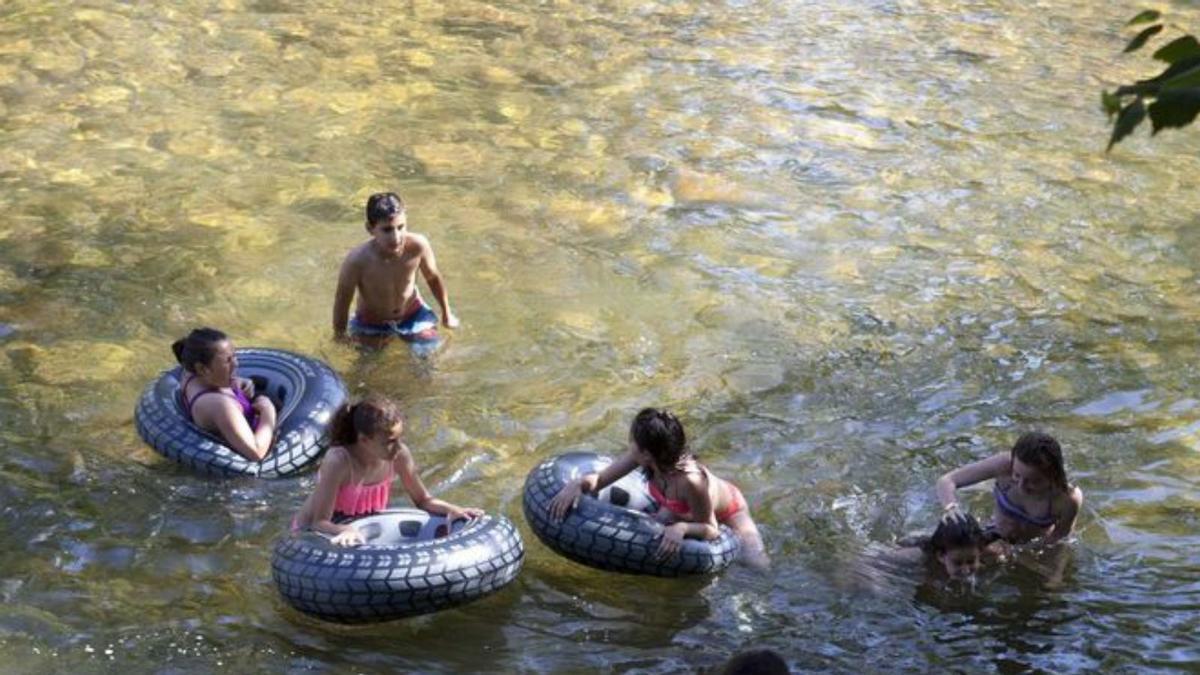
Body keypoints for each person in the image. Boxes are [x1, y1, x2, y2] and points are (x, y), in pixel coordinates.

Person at [548, 407, 769, 569]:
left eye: (633, 441)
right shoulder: (641, 457)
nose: (630, 445)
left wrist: (682, 528)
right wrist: (577, 484)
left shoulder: (691, 481)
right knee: (656, 527)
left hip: (729, 510)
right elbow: (601, 480)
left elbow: (711, 529)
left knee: (756, 564)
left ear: (647, 453)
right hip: (677, 509)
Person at [291, 395, 483, 545]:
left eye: (399, 439)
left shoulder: (399, 455)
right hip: (316, 532)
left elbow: (423, 500)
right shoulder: (339, 461)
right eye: (390, 442)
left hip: (363, 526)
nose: (399, 447)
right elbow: (319, 522)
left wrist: (454, 510)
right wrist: (345, 530)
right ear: (364, 440)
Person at [332, 192, 459, 347]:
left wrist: (447, 313)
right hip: (371, 323)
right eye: (387, 230)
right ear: (370, 228)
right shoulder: (357, 261)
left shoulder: (418, 246)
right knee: (367, 367)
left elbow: (433, 278)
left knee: (429, 359)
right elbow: (342, 299)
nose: (396, 237)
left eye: (401, 227)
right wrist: (339, 335)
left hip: (413, 315)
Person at [936, 431, 1083, 545]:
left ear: (1053, 476)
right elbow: (947, 481)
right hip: (994, 532)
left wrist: (1024, 553)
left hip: (1032, 548)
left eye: (1034, 481)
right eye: (1017, 475)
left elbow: (1059, 538)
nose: (1021, 486)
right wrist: (951, 508)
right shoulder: (1003, 464)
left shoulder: (1067, 499)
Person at [172, 327, 277, 461]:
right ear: (202, 368)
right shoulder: (219, 405)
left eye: (234, 356)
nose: (236, 363)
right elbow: (256, 453)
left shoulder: (190, 376)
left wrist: (237, 382)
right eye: (228, 360)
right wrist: (268, 412)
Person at [891, 512, 995, 580]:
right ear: (941, 556)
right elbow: (876, 560)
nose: (966, 570)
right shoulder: (919, 555)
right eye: (957, 563)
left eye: (971, 561)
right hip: (918, 541)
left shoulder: (987, 551)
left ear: (980, 552)